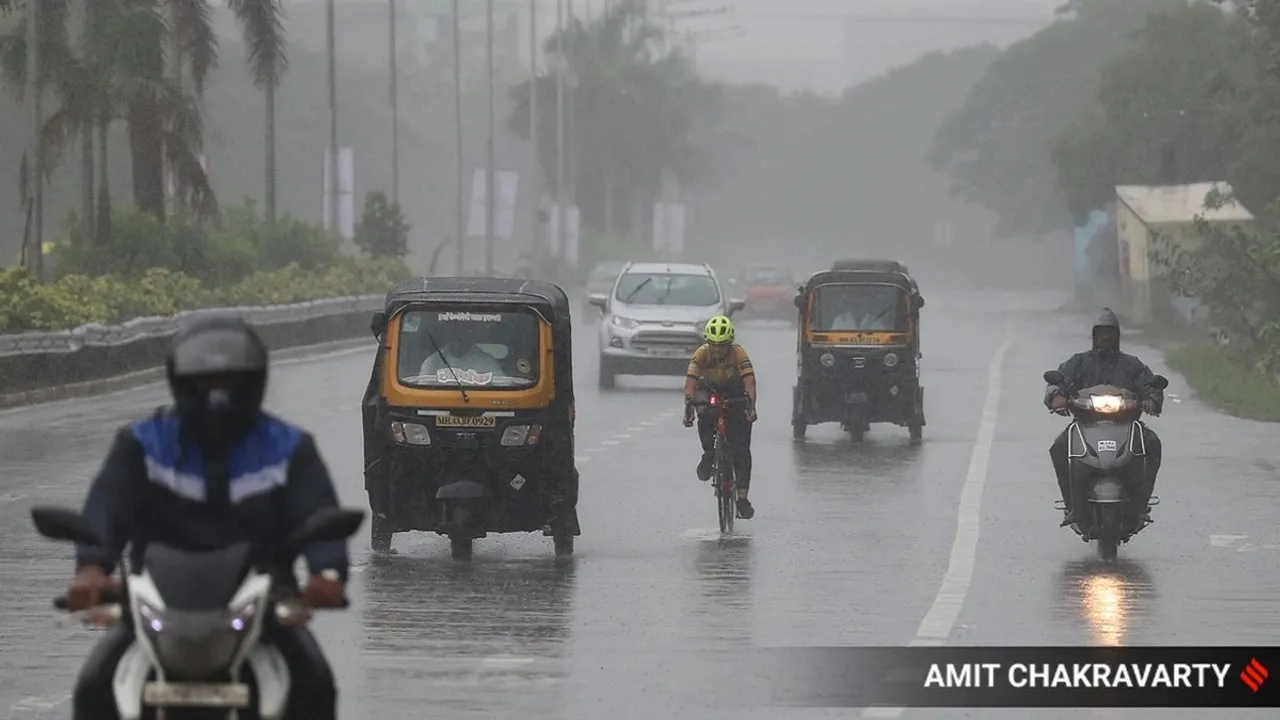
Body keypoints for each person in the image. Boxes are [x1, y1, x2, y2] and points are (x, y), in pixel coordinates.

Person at [64, 314, 348, 720]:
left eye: (230, 381)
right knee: (93, 688)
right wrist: (91, 567)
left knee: (315, 685)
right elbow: (107, 506)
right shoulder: (143, 444)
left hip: (264, 606)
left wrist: (328, 573)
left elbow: (318, 512)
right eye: (206, 381)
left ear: (253, 380)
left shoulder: (289, 449)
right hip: (158, 605)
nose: (218, 394)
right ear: (181, 381)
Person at [1045, 308, 1163, 527]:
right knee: (1059, 447)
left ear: (1118, 336)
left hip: (1126, 424)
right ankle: (1072, 506)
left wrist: (1152, 399)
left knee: (1152, 443)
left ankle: (1141, 505)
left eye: (1110, 333)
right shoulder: (1079, 363)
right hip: (1085, 424)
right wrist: (1056, 396)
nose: (1106, 337)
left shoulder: (1131, 364)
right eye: (1101, 333)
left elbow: (1149, 384)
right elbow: (1057, 381)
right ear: (1094, 336)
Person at [683, 315, 759, 519]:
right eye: (713, 345)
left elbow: (750, 382)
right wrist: (688, 408)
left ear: (730, 343)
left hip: (734, 391)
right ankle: (709, 453)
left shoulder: (738, 353)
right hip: (709, 389)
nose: (717, 350)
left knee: (741, 448)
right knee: (703, 411)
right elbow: (690, 382)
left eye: (722, 346)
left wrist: (751, 407)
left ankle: (742, 498)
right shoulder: (701, 353)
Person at [419, 322, 503, 378]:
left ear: (470, 336)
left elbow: (502, 389)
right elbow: (421, 392)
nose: (458, 339)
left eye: (462, 332)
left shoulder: (486, 362)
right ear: (447, 336)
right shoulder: (432, 362)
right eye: (455, 333)